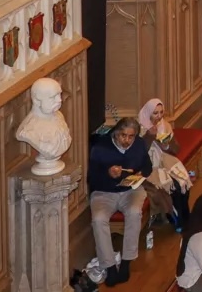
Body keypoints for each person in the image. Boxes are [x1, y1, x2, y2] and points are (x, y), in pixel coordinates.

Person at [89, 117, 154, 286]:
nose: (127, 140)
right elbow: (91, 179)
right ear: (116, 134)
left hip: (130, 191)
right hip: (104, 192)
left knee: (134, 212)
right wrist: (107, 173)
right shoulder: (100, 147)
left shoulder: (138, 145)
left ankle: (126, 262)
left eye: (131, 136)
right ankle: (109, 266)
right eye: (123, 136)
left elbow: (147, 166)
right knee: (98, 219)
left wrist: (141, 174)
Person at [138, 98, 192, 230]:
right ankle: (176, 219)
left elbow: (176, 149)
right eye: (155, 113)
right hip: (149, 166)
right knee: (170, 186)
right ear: (148, 113)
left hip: (165, 159)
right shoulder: (138, 128)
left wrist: (166, 146)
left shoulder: (165, 125)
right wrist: (150, 136)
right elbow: (139, 153)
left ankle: (186, 215)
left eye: (161, 112)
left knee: (183, 181)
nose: (159, 116)